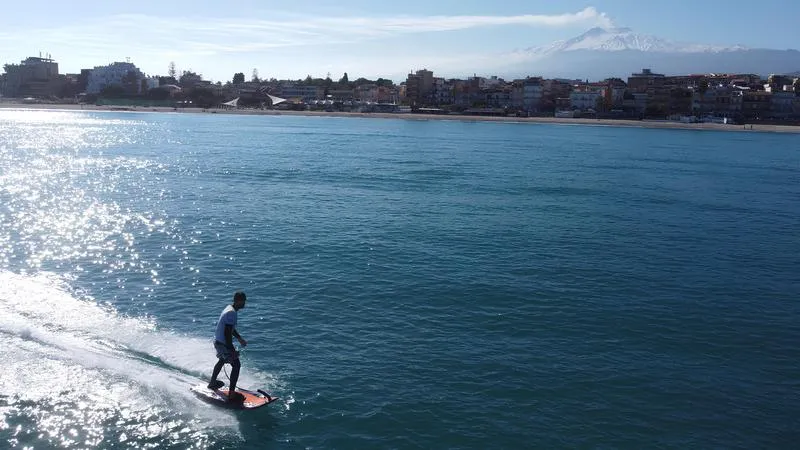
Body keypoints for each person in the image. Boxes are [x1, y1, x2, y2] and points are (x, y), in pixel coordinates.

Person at [208, 291, 249, 402]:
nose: (244, 303)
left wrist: (239, 338)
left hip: (219, 341)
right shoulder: (232, 313)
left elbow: (230, 329)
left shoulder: (229, 308)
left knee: (222, 360)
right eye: (243, 301)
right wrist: (232, 350)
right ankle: (231, 395)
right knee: (236, 365)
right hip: (223, 343)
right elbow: (227, 333)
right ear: (238, 301)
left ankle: (212, 383)